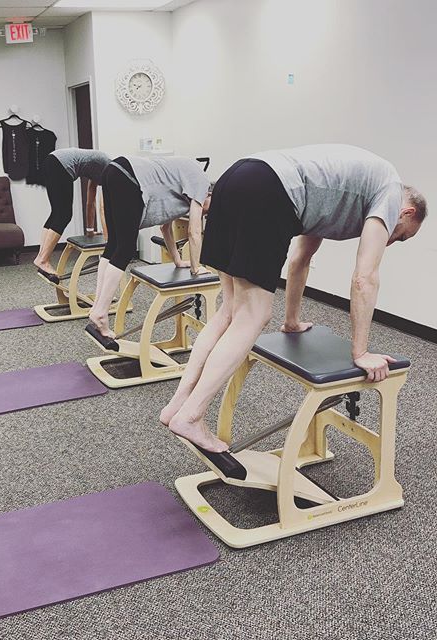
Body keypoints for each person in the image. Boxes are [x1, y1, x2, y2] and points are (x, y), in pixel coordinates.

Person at [160, 144, 427, 452]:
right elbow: (364, 278)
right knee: (254, 316)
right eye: (403, 234)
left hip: (237, 177)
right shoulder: (390, 194)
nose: (394, 241)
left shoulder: (341, 192)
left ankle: (177, 405)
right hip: (265, 190)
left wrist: (291, 321)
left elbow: (300, 258)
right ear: (407, 212)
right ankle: (191, 416)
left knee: (230, 311)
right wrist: (361, 352)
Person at [86, 155, 212, 339]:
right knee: (126, 248)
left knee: (114, 244)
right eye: (207, 210)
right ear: (210, 194)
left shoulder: (181, 185)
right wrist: (196, 267)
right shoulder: (201, 183)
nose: (203, 212)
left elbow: (165, 227)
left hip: (114, 169)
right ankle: (100, 314)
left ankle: (97, 307)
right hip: (128, 177)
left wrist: (177, 260)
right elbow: (193, 231)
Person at [34, 147, 112, 280]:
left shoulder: (100, 167)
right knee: (64, 215)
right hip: (60, 164)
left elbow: (90, 202)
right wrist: (109, 240)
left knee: (56, 213)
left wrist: (90, 231)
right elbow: (103, 208)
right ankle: (43, 260)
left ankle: (41, 257)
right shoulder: (108, 170)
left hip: (51, 161)